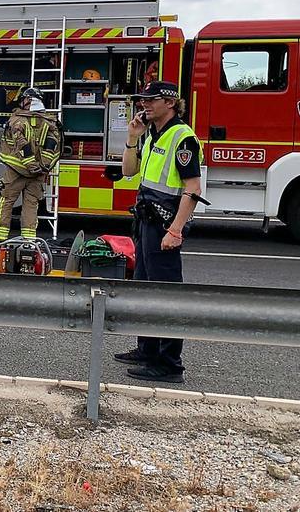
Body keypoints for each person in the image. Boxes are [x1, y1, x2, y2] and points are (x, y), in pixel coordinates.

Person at [113, 81, 203, 384]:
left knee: (165, 296)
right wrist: (131, 138)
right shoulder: (152, 134)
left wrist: (176, 230)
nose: (145, 105)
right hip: (146, 221)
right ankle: (147, 350)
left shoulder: (183, 137)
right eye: (143, 100)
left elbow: (193, 189)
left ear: (170, 102)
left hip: (164, 224)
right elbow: (128, 172)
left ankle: (169, 364)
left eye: (151, 100)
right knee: (144, 291)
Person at [0, 87, 60, 243]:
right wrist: (43, 166)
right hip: (38, 173)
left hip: (16, 170)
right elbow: (53, 146)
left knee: (6, 201)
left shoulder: (17, 120)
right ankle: (28, 241)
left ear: (28, 100)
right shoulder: (50, 122)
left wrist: (30, 165)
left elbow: (21, 144)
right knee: (31, 204)